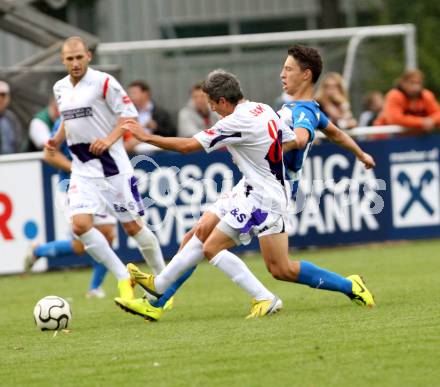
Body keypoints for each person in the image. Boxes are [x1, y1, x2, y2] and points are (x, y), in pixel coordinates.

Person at [115, 66, 375, 322]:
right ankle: (159, 290)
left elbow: (186, 146)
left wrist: (143, 136)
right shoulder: (263, 109)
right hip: (252, 188)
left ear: (224, 101)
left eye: (213, 105)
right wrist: (263, 157)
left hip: (264, 198)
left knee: (234, 254)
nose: (212, 110)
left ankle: (267, 298)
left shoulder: (236, 121)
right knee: (200, 233)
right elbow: (292, 140)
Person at [47, 36, 167, 301]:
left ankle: (163, 281)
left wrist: (110, 139)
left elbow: (129, 117)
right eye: (70, 58)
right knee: (80, 225)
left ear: (88, 56)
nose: (75, 63)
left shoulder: (104, 82)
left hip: (113, 168)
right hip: (82, 168)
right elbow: (69, 118)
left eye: (79, 57)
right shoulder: (60, 88)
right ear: (63, 60)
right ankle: (123, 277)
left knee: (133, 228)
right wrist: (56, 139)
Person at [25, 118, 112, 298]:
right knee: (81, 245)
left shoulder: (100, 111)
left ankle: (94, 288)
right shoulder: (65, 120)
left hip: (100, 184)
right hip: (72, 186)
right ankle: (38, 251)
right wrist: (77, 169)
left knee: (108, 235)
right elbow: (49, 154)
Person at [373, 69, 440, 135]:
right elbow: (395, 119)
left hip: (416, 138)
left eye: (418, 83)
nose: (415, 87)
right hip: (389, 138)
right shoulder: (394, 95)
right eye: (412, 83)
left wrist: (432, 121)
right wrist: (422, 122)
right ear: (403, 83)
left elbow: (438, 114)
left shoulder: (426, 95)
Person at [0, 80, 24, 154]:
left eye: (3, 95)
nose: (0, 99)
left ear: (8, 98)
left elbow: (18, 142)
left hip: (12, 162)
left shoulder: (12, 118)